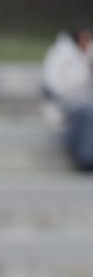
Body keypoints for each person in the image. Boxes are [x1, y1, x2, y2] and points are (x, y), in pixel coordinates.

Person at [42, 27, 93, 171]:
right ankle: (85, 158)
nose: (88, 43)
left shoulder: (87, 54)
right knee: (86, 114)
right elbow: (52, 83)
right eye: (85, 39)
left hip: (84, 100)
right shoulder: (60, 54)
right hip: (62, 101)